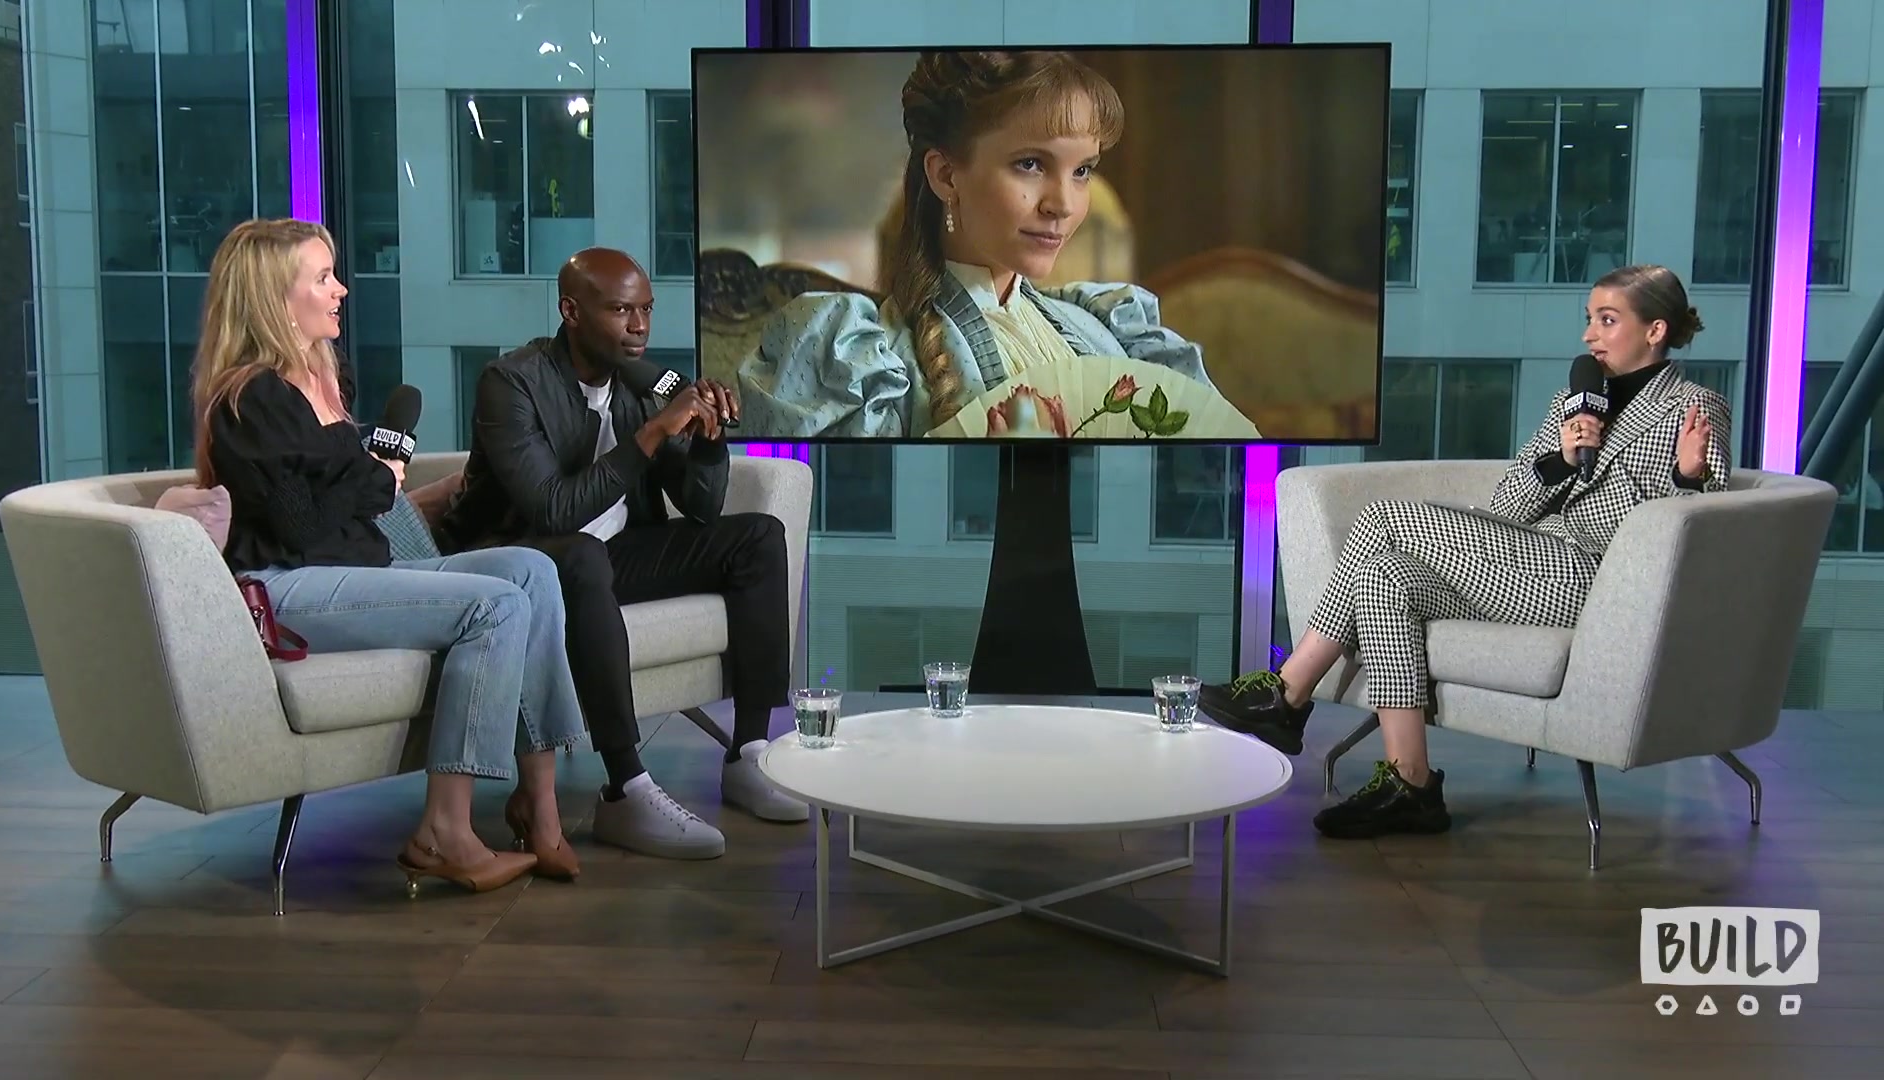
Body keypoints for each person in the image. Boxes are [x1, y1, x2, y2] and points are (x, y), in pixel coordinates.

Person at [1202, 264, 1731, 839]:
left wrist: (1688, 477)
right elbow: (1507, 506)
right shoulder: (1575, 401)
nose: (1589, 335)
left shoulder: (1695, 407)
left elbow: (1698, 538)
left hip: (1596, 582)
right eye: (1589, 319)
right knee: (1383, 575)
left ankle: (1288, 693)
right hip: (1531, 566)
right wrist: (1560, 460)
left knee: (1382, 517)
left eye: (1607, 320)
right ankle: (1411, 783)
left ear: (1655, 330)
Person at [193, 217, 588, 892]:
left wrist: (373, 481)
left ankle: (539, 806)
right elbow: (299, 526)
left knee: (532, 570)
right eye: (323, 278)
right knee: (495, 606)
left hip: (356, 569)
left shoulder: (323, 380)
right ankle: (444, 832)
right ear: (273, 298)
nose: (341, 290)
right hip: (287, 586)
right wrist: (377, 480)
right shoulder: (249, 398)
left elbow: (340, 501)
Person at [434, 248, 805, 862]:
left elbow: (702, 508)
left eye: (647, 310)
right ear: (571, 311)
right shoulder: (512, 382)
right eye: (621, 311)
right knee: (582, 554)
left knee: (758, 537)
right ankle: (626, 787)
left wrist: (709, 440)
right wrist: (653, 432)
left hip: (613, 556)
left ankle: (749, 754)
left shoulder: (642, 384)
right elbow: (552, 510)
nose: (639, 327)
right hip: (521, 562)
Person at [733, 49, 1257, 440]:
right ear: (945, 175)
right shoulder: (860, 361)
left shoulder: (1110, 330)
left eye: (1082, 171)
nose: (1063, 204)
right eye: (1030, 164)